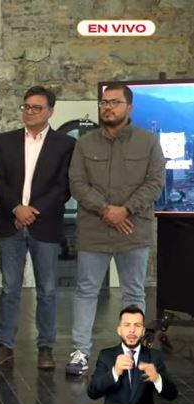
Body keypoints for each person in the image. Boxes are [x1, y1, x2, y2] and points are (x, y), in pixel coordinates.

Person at [66, 83, 165, 376]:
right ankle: (80, 352)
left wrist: (125, 210)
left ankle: (132, 355)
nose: (107, 107)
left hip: (132, 229)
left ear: (129, 107)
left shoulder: (148, 142)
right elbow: (77, 183)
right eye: (104, 102)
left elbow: (154, 183)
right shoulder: (85, 143)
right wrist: (107, 210)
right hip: (94, 229)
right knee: (86, 291)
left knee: (133, 292)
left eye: (114, 102)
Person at [0, 86, 75, 370]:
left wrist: (32, 212)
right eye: (26, 107)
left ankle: (46, 346)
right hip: (11, 223)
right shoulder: (4, 142)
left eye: (36, 108)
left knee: (47, 289)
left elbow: (64, 187)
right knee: (9, 288)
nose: (29, 112)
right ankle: (5, 345)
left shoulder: (65, 145)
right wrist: (16, 207)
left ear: (50, 111)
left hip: (45, 225)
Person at [87, 306, 177, 404]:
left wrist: (157, 378)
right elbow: (93, 392)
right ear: (119, 330)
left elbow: (172, 394)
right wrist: (114, 373)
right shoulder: (106, 355)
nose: (132, 330)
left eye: (137, 325)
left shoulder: (154, 356)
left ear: (143, 331)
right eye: (127, 325)